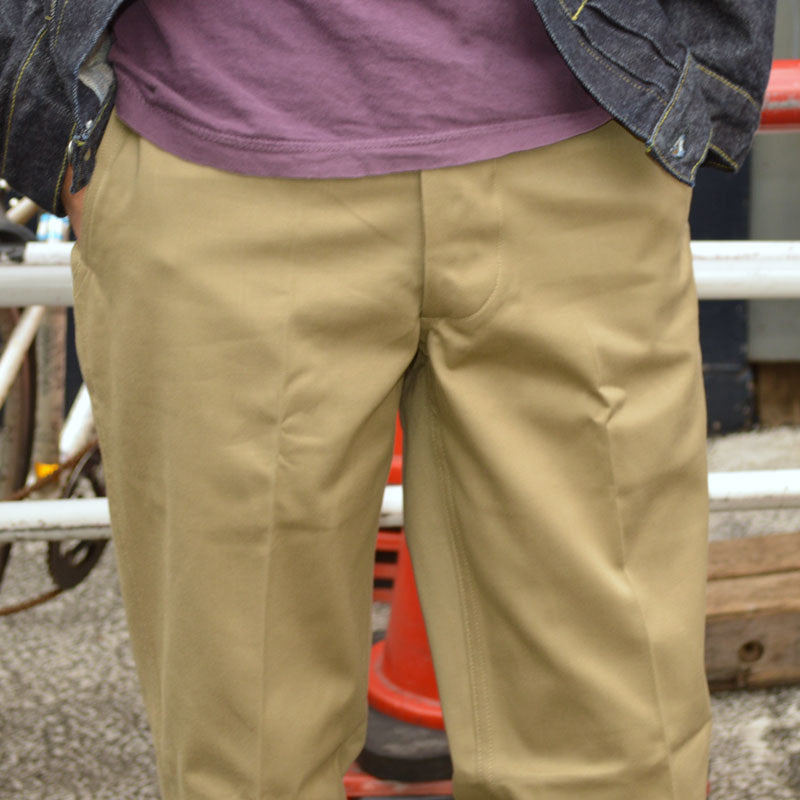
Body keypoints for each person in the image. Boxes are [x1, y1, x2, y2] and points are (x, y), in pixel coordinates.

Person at [1, 2, 776, 799]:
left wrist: (702, 84)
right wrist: (47, 123)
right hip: (209, 159)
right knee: (243, 765)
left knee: (619, 761)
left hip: (586, 144)